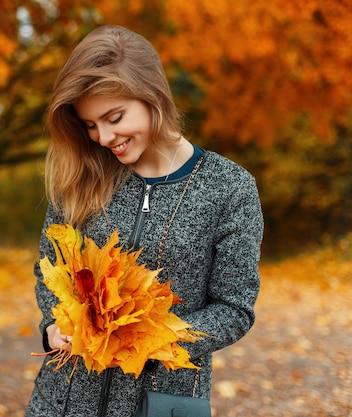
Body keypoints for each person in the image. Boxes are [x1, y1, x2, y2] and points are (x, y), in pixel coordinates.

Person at [25, 25, 263, 417]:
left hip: (163, 401)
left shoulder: (229, 188)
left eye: (114, 117)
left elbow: (234, 307)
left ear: (152, 95)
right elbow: (48, 269)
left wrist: (152, 337)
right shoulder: (82, 175)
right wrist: (54, 326)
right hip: (63, 400)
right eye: (90, 124)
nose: (102, 137)